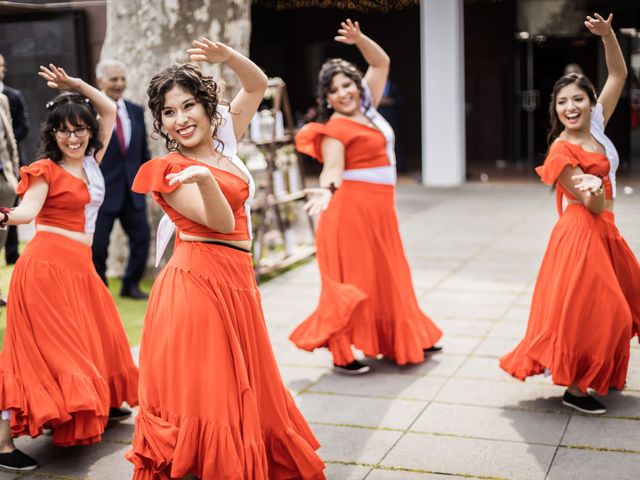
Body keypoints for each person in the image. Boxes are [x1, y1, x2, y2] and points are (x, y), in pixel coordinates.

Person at [126, 39, 325, 480]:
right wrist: (201, 178)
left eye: (188, 105)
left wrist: (228, 58)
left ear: (206, 106)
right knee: (211, 394)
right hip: (197, 285)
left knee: (239, 388)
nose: (180, 119)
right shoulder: (170, 170)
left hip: (236, 281)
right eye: (169, 112)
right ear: (160, 121)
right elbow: (217, 222)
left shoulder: (224, 139)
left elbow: (258, 85)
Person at [0, 64, 139, 472]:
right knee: (43, 356)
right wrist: (3, 217)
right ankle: (4, 445)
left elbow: (110, 112)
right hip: (46, 270)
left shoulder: (93, 161)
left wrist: (76, 85)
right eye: (65, 130)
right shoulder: (46, 170)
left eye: (80, 128)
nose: (74, 137)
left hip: (80, 269)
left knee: (103, 339)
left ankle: (99, 403)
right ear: (53, 134)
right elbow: (27, 212)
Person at [500, 13, 640, 414]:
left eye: (577, 98)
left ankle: (594, 377)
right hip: (581, 231)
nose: (570, 107)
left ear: (591, 102)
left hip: (605, 228)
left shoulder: (596, 126)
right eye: (562, 102)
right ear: (554, 110)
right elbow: (590, 202)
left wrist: (608, 35)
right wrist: (592, 190)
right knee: (607, 311)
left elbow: (617, 73)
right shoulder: (562, 150)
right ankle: (576, 388)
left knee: (613, 307)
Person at [289, 20, 442, 375]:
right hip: (351, 211)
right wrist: (326, 190)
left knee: (391, 275)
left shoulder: (369, 109)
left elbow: (381, 63)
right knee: (355, 281)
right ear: (325, 99)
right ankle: (341, 352)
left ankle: (407, 335)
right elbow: (332, 169)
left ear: (358, 87)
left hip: (381, 210)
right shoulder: (335, 128)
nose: (343, 93)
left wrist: (359, 40)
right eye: (334, 90)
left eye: (347, 85)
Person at [92, 59, 151, 299]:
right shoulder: (89, 112)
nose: (119, 84)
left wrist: (148, 181)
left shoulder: (136, 111)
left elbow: (143, 151)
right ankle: (99, 291)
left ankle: (131, 285)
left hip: (133, 190)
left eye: (122, 78)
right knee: (97, 247)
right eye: (113, 79)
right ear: (100, 81)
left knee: (142, 239)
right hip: (102, 191)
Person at [0, 53, 29, 265]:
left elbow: (12, 137)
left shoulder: (7, 98)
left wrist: (12, 176)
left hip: (3, 176)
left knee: (3, 230)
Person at [0, 91, 19, 306]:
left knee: (0, 240)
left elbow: (10, 139)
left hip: (4, 181)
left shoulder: (2, 99)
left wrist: (13, 175)